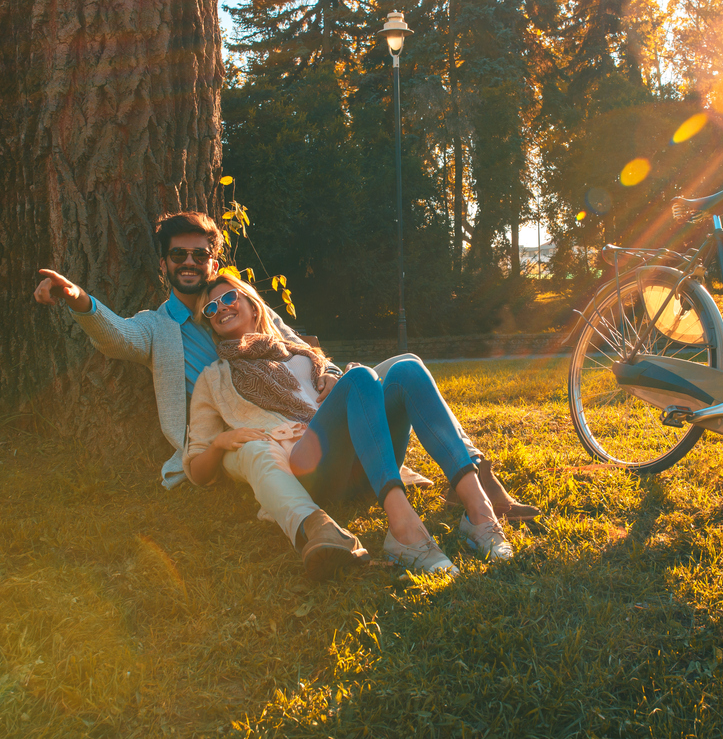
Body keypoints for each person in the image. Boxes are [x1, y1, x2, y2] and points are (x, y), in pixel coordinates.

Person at [34, 212, 367, 579]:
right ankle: (317, 530)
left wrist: (332, 374)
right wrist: (75, 296)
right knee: (254, 451)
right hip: (233, 438)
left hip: (287, 420)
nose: (189, 263)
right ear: (164, 264)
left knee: (391, 372)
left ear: (213, 261)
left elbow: (294, 345)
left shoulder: (237, 302)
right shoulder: (157, 327)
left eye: (199, 255)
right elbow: (119, 338)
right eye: (178, 256)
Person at [185, 273, 512, 574]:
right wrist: (219, 444)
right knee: (359, 378)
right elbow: (197, 469)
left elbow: (350, 391)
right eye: (211, 309)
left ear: (252, 305)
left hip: (363, 464)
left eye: (229, 297)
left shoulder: (303, 353)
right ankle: (404, 530)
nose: (220, 309)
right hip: (307, 465)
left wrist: (333, 373)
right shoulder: (214, 378)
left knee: (407, 371)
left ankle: (479, 511)